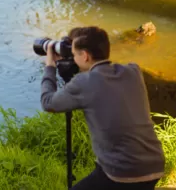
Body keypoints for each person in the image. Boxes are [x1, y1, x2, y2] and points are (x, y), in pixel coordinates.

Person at [41, 26, 166, 190]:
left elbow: (48, 103)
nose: (73, 57)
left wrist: (50, 66)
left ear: (85, 56)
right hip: (154, 165)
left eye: (75, 53)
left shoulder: (84, 83)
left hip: (122, 173)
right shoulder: (133, 72)